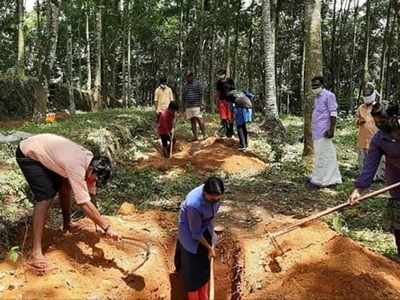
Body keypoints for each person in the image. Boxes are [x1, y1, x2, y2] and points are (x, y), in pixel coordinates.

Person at [16, 134, 120, 273]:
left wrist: (98, 224)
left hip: (46, 150)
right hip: (28, 152)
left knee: (65, 185)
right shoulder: (77, 166)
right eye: (94, 179)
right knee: (45, 196)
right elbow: (83, 202)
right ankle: (36, 252)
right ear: (91, 170)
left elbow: (91, 194)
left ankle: (67, 224)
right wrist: (107, 227)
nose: (93, 182)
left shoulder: (90, 161)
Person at [349, 101, 400, 257]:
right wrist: (358, 190)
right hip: (396, 183)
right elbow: (370, 166)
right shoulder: (379, 139)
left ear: (395, 117)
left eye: (382, 121)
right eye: (376, 122)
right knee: (399, 226)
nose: (379, 125)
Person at [174, 177, 224, 300]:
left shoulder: (214, 195)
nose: (214, 202)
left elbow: (210, 219)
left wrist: (212, 239)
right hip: (189, 234)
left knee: (203, 270)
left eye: (217, 199)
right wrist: (209, 248)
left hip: (204, 228)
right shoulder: (194, 204)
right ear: (204, 193)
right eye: (212, 199)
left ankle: (204, 297)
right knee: (192, 275)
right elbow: (195, 233)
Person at [307, 76, 342, 189]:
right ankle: (332, 179)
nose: (314, 87)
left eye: (317, 85)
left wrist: (331, 129)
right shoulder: (317, 98)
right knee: (326, 155)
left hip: (325, 132)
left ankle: (320, 181)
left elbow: (333, 113)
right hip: (317, 132)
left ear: (322, 85)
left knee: (323, 157)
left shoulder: (329, 96)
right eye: (313, 86)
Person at [356, 82, 384, 180]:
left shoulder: (378, 107)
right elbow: (357, 121)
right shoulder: (360, 108)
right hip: (363, 138)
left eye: (368, 94)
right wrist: (359, 121)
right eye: (365, 94)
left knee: (375, 158)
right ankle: (364, 175)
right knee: (363, 158)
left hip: (375, 137)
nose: (366, 96)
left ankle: (377, 176)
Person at [224, 79, 253, 151]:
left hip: (242, 108)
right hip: (249, 108)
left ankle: (242, 145)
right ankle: (246, 144)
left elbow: (230, 106)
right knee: (243, 126)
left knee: (239, 126)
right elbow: (251, 96)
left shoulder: (229, 94)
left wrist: (231, 117)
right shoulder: (239, 91)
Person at [183, 72, 206, 141]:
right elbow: (184, 96)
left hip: (197, 105)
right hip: (189, 106)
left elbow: (201, 94)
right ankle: (195, 136)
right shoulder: (186, 85)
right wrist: (184, 106)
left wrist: (202, 104)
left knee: (199, 119)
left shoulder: (197, 83)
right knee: (192, 121)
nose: (188, 78)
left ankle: (204, 135)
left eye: (189, 76)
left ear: (192, 76)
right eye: (187, 77)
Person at [216, 69, 234, 138]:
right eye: (219, 75)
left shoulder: (230, 81)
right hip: (222, 101)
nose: (220, 76)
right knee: (223, 117)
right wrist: (217, 101)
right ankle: (226, 131)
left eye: (221, 74)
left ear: (224, 74)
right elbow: (218, 92)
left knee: (230, 117)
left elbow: (233, 90)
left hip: (229, 101)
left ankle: (231, 131)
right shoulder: (218, 82)